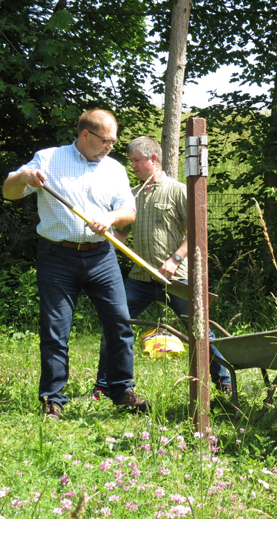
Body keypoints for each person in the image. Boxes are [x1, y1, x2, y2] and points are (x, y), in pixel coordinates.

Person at [2, 109, 149, 420]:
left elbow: (128, 212)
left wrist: (110, 218)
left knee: (120, 324)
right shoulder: (48, 159)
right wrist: (24, 177)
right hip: (57, 256)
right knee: (56, 331)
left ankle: (121, 390)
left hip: (101, 256)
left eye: (114, 141)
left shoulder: (114, 169)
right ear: (86, 135)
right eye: (107, 140)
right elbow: (9, 192)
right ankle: (53, 399)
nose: (112, 146)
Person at [92, 137, 232, 399]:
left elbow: (197, 231)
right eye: (131, 161)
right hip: (139, 279)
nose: (132, 165)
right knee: (115, 326)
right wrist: (102, 249)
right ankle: (105, 386)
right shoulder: (132, 195)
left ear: (153, 159)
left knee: (199, 330)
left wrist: (176, 258)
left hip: (175, 278)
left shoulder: (178, 190)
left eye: (136, 160)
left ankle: (224, 381)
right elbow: (121, 233)